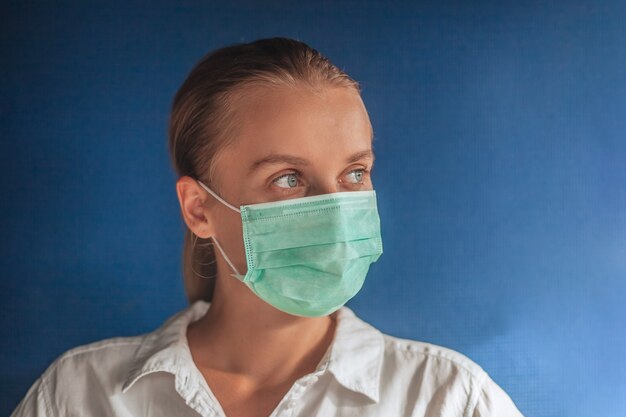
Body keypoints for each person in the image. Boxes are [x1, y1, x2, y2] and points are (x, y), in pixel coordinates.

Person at [11, 37, 523, 417]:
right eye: (288, 178)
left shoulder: (447, 398)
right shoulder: (80, 395)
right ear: (199, 210)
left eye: (354, 173)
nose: (334, 206)